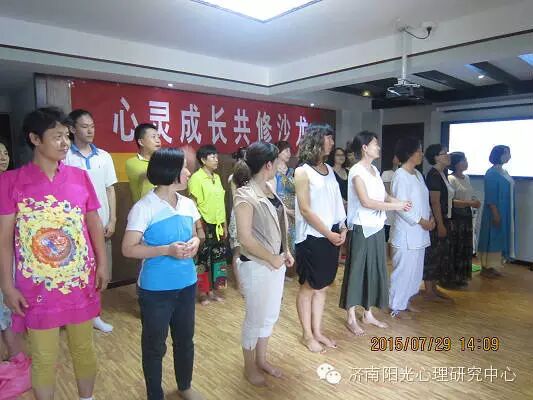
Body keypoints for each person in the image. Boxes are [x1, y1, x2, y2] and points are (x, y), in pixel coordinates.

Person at [0, 107, 109, 400]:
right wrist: (7, 286)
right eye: (57, 136)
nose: (64, 143)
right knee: (44, 356)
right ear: (35, 139)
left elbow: (94, 223)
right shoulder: (10, 182)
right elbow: (4, 240)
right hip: (36, 288)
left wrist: (102, 263)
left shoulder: (79, 178)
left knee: (84, 348)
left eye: (66, 136)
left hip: (78, 281)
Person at [122, 148, 204, 400]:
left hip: (187, 284)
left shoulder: (188, 204)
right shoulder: (144, 207)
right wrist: (166, 250)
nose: (188, 172)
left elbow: (197, 234)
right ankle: (154, 394)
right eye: (184, 168)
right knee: (155, 345)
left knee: (185, 340)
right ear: (170, 172)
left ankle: (185, 386)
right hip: (156, 290)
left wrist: (195, 243)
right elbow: (128, 248)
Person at [233, 142, 294, 386]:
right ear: (268, 164)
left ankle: (262, 359)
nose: (281, 165)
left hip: (275, 263)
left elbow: (279, 223)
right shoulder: (245, 194)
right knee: (255, 318)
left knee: (270, 315)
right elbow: (245, 238)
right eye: (278, 161)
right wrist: (271, 257)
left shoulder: (269, 187)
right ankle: (249, 367)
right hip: (257, 265)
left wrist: (286, 251)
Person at [339, 132, 411, 335]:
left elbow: (384, 196)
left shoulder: (374, 170)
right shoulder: (356, 171)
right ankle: (351, 317)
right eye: (374, 144)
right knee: (357, 271)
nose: (378, 147)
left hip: (377, 227)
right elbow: (366, 202)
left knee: (374, 270)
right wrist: (396, 207)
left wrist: (399, 202)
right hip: (362, 228)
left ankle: (368, 313)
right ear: (364, 148)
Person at [294, 124, 347, 353]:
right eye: (329, 138)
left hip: (331, 234)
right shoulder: (302, 172)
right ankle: (307, 335)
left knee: (323, 286)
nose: (332, 143)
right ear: (316, 140)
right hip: (312, 237)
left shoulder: (329, 170)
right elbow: (305, 209)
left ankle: (317, 331)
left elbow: (336, 201)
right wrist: (329, 233)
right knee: (309, 286)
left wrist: (342, 226)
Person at [65, 109, 117, 333]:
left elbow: (110, 189)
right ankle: (73, 313)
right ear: (72, 129)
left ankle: (95, 314)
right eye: (84, 126)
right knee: (74, 270)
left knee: (101, 270)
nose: (90, 130)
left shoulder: (104, 156)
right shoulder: (65, 155)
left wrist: (113, 218)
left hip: (101, 223)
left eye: (92, 126)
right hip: (73, 227)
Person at [388, 138, 435, 319]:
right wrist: (421, 221)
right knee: (403, 271)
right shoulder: (400, 175)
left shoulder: (417, 174)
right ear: (409, 153)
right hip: (407, 232)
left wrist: (430, 217)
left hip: (420, 232)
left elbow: (423, 200)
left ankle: (405, 301)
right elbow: (401, 207)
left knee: (415, 271)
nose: (421, 154)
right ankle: (395, 306)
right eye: (419, 150)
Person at [188, 144, 227, 304]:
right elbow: (193, 204)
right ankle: (203, 292)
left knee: (218, 258)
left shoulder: (217, 177)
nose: (216, 159)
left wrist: (224, 224)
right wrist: (198, 228)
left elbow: (221, 203)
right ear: (203, 160)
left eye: (217, 156)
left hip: (218, 224)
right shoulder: (196, 178)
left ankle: (215, 290)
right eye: (212, 157)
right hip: (204, 223)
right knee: (203, 259)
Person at [0, 138, 23, 360]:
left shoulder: (14, 183)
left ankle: (15, 356)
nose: (2, 157)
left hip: (12, 254)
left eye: (5, 153)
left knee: (7, 307)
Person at [477, 145, 515, 278]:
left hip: (504, 210)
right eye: (507, 153)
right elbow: (491, 196)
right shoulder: (491, 173)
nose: (509, 156)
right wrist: (495, 213)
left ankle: (493, 266)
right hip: (494, 211)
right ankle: (485, 268)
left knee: (499, 237)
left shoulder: (504, 172)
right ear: (499, 155)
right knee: (491, 236)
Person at [423, 144, 454, 301]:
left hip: (445, 218)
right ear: (436, 157)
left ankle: (434, 287)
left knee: (440, 254)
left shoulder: (442, 173)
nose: (447, 155)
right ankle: (429, 290)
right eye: (444, 153)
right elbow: (434, 202)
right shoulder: (433, 174)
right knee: (433, 253)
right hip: (437, 220)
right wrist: (440, 224)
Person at [448, 152, 481, 287]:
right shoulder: (451, 179)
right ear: (456, 163)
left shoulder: (466, 178)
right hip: (456, 216)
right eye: (463, 160)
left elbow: (469, 195)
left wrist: (474, 201)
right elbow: (451, 201)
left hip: (466, 215)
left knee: (465, 245)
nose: (466, 162)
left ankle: (462, 276)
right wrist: (470, 203)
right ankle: (453, 277)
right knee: (456, 245)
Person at [273, 141, 296, 279]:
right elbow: (272, 193)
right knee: (279, 238)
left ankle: (290, 270)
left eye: (289, 151)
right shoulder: (272, 170)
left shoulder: (292, 171)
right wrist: (286, 210)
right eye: (286, 151)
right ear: (278, 152)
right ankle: (279, 269)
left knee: (291, 238)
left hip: (293, 209)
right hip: (278, 209)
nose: (289, 153)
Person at [125, 123, 161, 203]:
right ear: (141, 142)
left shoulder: (163, 161)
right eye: (153, 137)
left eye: (158, 137)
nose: (158, 140)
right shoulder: (131, 163)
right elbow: (148, 175)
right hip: (145, 208)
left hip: (164, 207)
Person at [228, 146, 247, 291]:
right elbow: (236, 200)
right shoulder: (233, 178)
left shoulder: (253, 176)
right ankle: (239, 283)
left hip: (250, 215)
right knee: (237, 251)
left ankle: (247, 282)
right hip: (239, 215)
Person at [381, 155, 401, 244]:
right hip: (390, 210)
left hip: (398, 210)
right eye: (396, 157)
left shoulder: (400, 172)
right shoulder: (387, 173)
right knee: (388, 238)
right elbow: (388, 193)